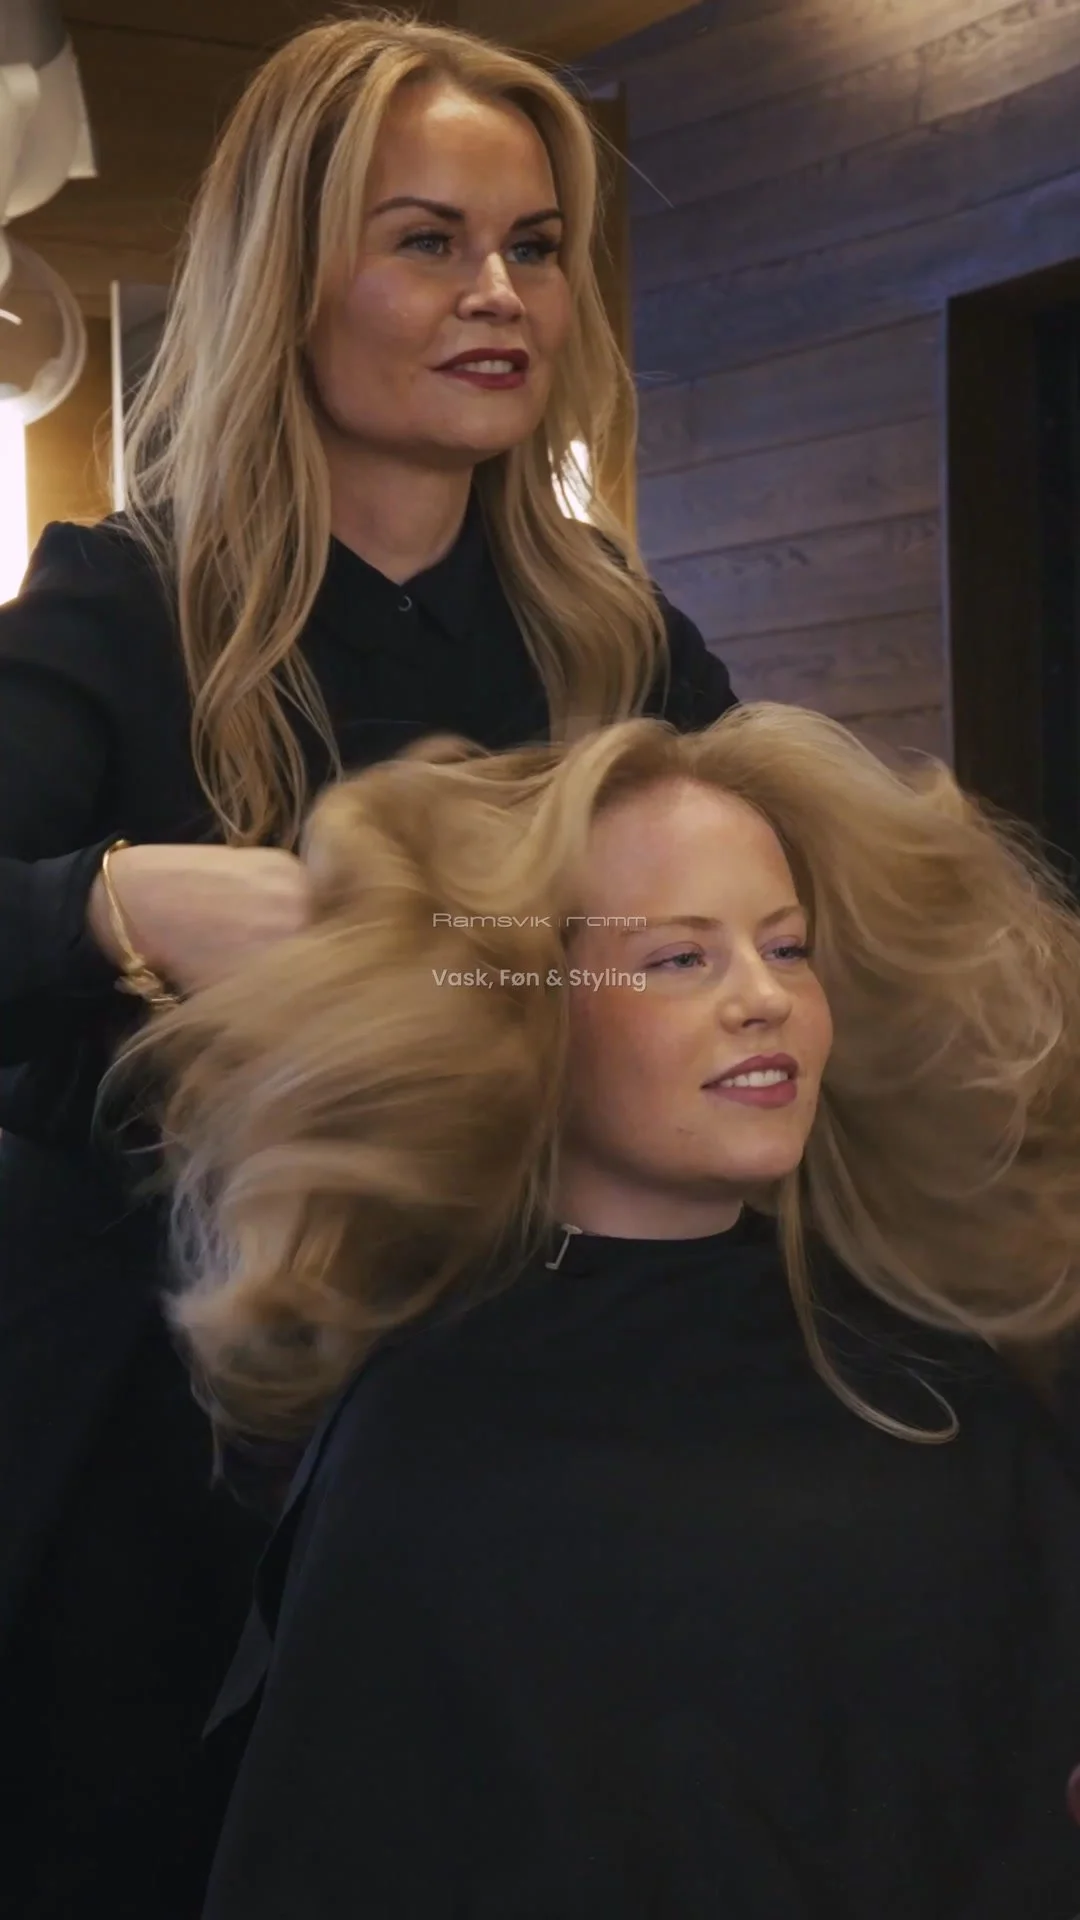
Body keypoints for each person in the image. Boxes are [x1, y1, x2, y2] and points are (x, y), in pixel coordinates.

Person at [0, 13, 737, 1914]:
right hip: (145, 1469)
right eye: (429, 241)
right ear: (291, 277)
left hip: (527, 1418)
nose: (501, 294)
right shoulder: (117, 609)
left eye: (535, 246)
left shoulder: (630, 656)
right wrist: (112, 903)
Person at [130, 700, 1080, 1920]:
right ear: (531, 1011)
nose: (765, 998)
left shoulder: (942, 1374)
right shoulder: (430, 1442)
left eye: (789, 948)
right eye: (681, 959)